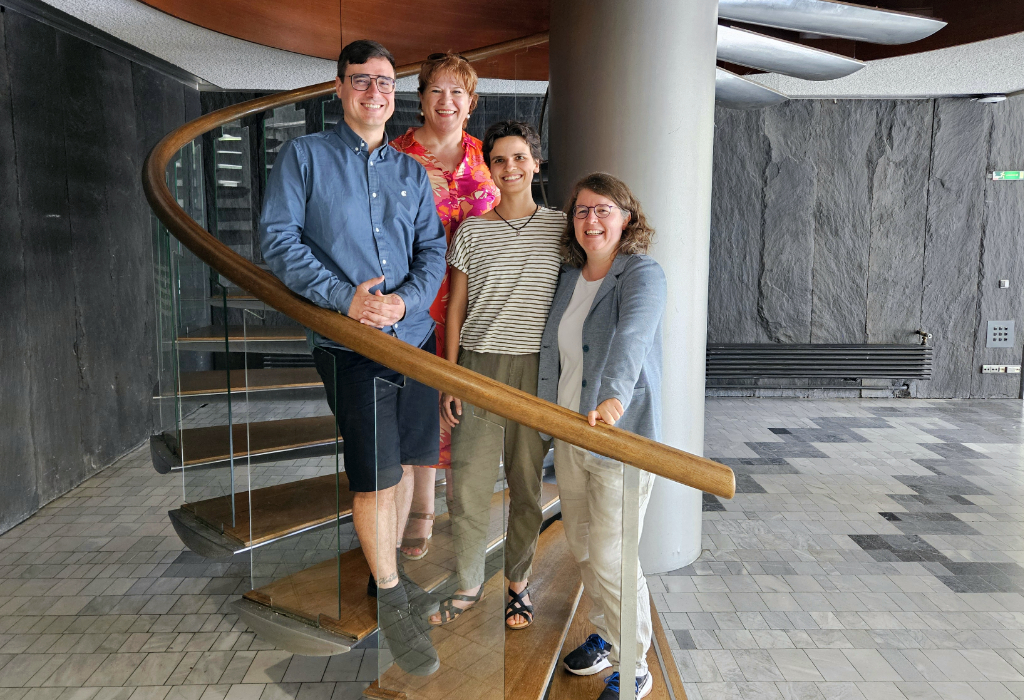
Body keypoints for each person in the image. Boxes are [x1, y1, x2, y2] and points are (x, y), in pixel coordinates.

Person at [258, 39, 446, 677]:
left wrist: (405, 303)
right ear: (338, 88)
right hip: (349, 345)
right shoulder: (304, 157)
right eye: (362, 80)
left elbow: (432, 250)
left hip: (412, 340)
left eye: (386, 81)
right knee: (373, 473)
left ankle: (382, 574)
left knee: (399, 470)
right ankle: (393, 598)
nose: (375, 91)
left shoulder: (410, 172)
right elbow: (277, 241)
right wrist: (347, 300)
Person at [430, 120, 564, 629]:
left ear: (535, 162)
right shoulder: (472, 231)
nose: (510, 167)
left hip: (535, 370)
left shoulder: (561, 227)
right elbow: (456, 311)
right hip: (479, 369)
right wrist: (450, 378)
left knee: (527, 486)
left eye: (519, 157)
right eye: (500, 159)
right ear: (489, 167)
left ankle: (518, 584)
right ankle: (468, 582)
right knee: (466, 482)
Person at [537, 173, 665, 700]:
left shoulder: (642, 273)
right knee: (586, 548)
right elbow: (556, 351)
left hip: (618, 438)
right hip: (570, 432)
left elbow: (633, 336)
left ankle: (635, 665)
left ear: (626, 218)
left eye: (604, 210)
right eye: (583, 211)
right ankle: (610, 638)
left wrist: (612, 398)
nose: (592, 220)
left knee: (615, 556)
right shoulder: (569, 276)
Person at [390, 52, 499, 561]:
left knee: (462, 407)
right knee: (417, 406)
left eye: (458, 92)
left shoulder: (486, 157)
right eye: (437, 90)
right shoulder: (396, 155)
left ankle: (465, 508)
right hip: (415, 301)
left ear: (471, 102)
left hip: (473, 302)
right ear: (421, 98)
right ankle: (420, 508)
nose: (447, 101)